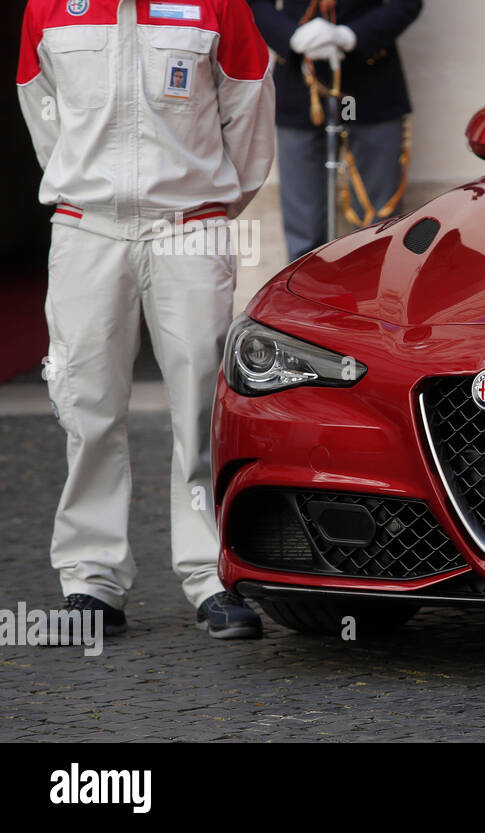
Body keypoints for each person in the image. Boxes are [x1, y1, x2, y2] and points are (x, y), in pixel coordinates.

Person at [17, 0, 276, 639]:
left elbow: (248, 115)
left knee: (201, 408)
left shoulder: (218, 6)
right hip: (87, 229)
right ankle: (90, 582)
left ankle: (214, 575)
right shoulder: (47, 8)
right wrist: (91, 190)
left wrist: (206, 200)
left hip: (189, 228)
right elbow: (43, 114)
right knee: (88, 406)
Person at [250, 0, 422, 261]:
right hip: (299, 83)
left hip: (372, 78)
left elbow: (406, 3)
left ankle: (373, 299)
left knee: (378, 228)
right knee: (303, 232)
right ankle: (304, 300)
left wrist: (350, 35)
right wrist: (290, 36)